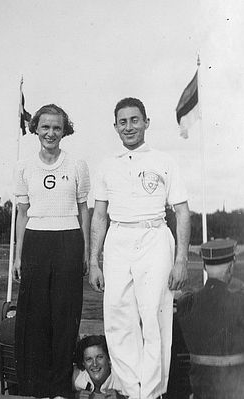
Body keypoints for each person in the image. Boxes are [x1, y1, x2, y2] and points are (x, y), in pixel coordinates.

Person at [89, 97, 191, 399]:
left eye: (135, 120)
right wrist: (94, 261)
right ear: (115, 127)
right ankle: (132, 392)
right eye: (123, 121)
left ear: (146, 122)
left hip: (154, 236)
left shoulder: (164, 161)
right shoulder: (108, 165)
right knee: (118, 318)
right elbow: (98, 215)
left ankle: (151, 393)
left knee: (154, 317)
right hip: (118, 239)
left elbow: (182, 212)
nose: (129, 126)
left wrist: (182, 259)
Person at [13, 104, 90, 399]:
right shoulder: (24, 167)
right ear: (35, 128)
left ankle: (60, 389)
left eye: (57, 128)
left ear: (64, 131)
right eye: (45, 127)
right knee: (35, 319)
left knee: (64, 316)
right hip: (35, 241)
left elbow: (83, 210)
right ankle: (38, 389)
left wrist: (83, 252)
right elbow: (22, 213)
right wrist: (19, 256)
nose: (51, 133)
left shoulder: (77, 164)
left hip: (68, 241)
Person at [177, 238, 244, 399]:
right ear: (231, 267)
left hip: (201, 393)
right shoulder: (240, 302)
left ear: (205, 267)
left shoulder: (186, 303)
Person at [73, 335, 126, 399]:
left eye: (99, 357)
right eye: (89, 359)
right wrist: (74, 396)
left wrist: (122, 398)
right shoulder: (76, 378)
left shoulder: (123, 380)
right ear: (83, 363)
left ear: (109, 359)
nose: (94, 364)